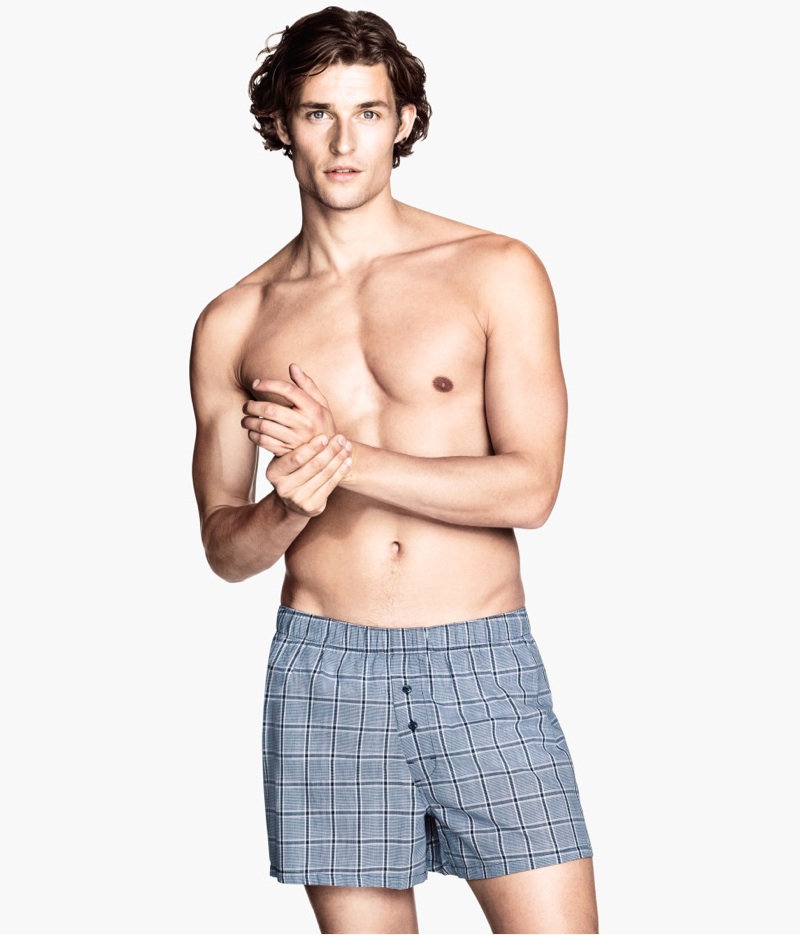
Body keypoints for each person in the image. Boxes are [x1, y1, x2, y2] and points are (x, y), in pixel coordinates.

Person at [190, 6, 598, 933]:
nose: (344, 142)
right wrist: (288, 507)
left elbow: (531, 487)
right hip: (325, 670)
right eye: (318, 113)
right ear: (281, 124)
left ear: (404, 121)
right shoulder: (235, 320)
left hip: (481, 658)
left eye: (368, 113)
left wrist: (343, 461)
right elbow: (224, 547)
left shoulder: (495, 269)